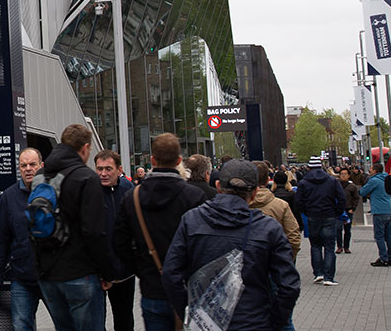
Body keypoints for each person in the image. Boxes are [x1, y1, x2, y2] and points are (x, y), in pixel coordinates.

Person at [162, 159, 300, 330]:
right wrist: (276, 321)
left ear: (218, 186)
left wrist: (190, 310)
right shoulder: (268, 229)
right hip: (253, 321)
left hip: (206, 322)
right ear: (255, 192)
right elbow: (289, 285)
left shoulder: (192, 221)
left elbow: (171, 274)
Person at [113, 132, 206, 331]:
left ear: (152, 160)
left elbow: (119, 241)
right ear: (179, 160)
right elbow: (204, 244)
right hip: (187, 288)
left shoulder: (133, 197)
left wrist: (141, 267)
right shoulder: (194, 196)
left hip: (152, 286)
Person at [35, 123, 114, 331]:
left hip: (48, 275)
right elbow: (94, 232)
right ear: (85, 148)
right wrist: (107, 272)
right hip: (81, 273)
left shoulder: (40, 176)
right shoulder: (86, 178)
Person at [0, 148, 53, 331]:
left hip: (52, 275)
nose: (28, 169)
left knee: (64, 324)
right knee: (21, 325)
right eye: (23, 165)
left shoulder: (54, 191)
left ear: (41, 166)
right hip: (22, 277)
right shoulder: (9, 196)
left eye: (32, 164)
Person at [94, 149, 135, 331]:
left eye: (108, 169)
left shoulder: (129, 191)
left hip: (124, 272)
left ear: (119, 170)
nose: (103, 173)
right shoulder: (89, 192)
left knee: (124, 319)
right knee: (96, 322)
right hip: (97, 273)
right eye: (99, 169)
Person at [296, 157, 346, 284]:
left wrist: (306, 211)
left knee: (315, 245)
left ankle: (318, 273)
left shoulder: (304, 182)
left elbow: (298, 201)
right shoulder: (332, 181)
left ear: (309, 167)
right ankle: (329, 277)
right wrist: (337, 212)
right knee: (329, 246)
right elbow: (341, 198)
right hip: (329, 214)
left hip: (312, 215)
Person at [250, 162, 301, 261]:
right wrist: (286, 260)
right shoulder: (281, 205)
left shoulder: (238, 205)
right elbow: (293, 237)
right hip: (276, 261)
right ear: (268, 180)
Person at [360, 162, 391, 266]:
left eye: (370, 169)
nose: (369, 171)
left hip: (379, 211)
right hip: (389, 210)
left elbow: (362, 191)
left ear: (375, 170)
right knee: (388, 236)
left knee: (379, 236)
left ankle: (383, 258)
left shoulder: (374, 180)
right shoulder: (386, 178)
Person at [335, 167, 360, 254]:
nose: (343, 176)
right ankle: (339, 246)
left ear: (348, 175)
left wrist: (353, 208)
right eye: (342, 174)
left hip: (348, 210)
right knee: (338, 229)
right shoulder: (336, 185)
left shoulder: (352, 186)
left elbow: (356, 198)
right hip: (338, 210)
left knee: (347, 230)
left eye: (345, 174)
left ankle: (346, 247)